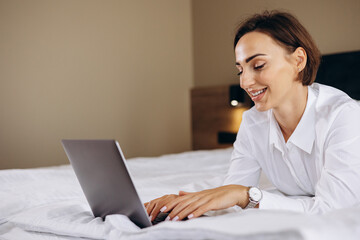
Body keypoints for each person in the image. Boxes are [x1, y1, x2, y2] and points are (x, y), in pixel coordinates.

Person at [144, 10, 360, 222]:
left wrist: (248, 195)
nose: (244, 82)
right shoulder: (253, 121)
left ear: (298, 61)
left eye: (258, 66)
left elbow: (332, 209)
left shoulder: (344, 117)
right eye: (240, 70)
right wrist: (185, 203)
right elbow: (232, 193)